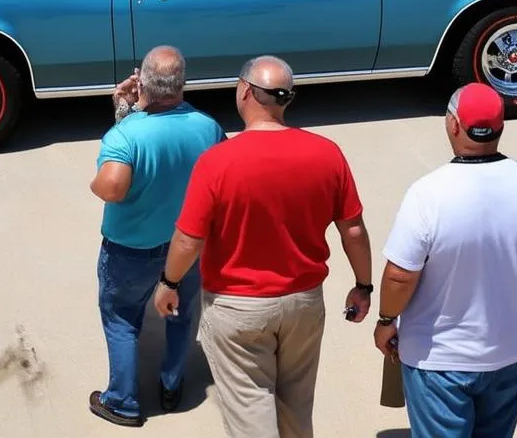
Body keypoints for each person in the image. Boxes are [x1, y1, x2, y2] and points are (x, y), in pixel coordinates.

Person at [154, 56, 372, 438]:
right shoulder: (327, 153)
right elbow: (352, 229)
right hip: (304, 302)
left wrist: (169, 283)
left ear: (244, 91)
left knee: (250, 414)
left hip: (238, 308)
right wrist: (363, 286)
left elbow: (189, 239)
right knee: (296, 408)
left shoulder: (216, 162)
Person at [377, 83, 517, 438]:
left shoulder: (427, 194)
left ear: (453, 125)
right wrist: (513, 279)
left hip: (439, 362)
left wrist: (386, 320)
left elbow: (399, 276)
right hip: (511, 353)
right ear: (501, 127)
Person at [89, 47, 224, 428]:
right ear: (181, 83)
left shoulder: (126, 134)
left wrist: (122, 117)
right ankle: (171, 383)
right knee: (180, 315)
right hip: (187, 246)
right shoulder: (207, 126)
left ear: (142, 82)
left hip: (130, 250)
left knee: (122, 318)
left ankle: (123, 402)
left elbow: (111, 187)